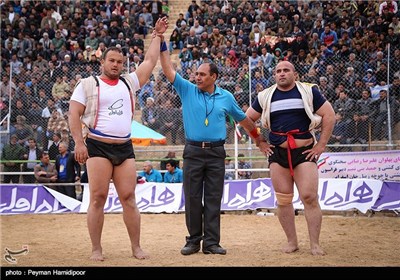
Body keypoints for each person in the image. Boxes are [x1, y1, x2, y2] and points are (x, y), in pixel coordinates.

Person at [68, 17, 168, 261]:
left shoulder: (129, 82)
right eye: (111, 61)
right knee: (98, 198)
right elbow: (73, 113)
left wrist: (156, 35)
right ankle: (96, 249)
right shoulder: (87, 84)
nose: (115, 65)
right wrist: (79, 143)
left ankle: (136, 247)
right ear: (102, 61)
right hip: (97, 146)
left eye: (120, 62)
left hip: (124, 148)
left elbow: (150, 61)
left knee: (129, 198)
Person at [159, 48, 261, 256]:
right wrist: (161, 42)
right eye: (196, 74)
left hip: (216, 153)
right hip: (193, 152)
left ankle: (212, 243)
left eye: (202, 74)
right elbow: (168, 69)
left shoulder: (226, 97)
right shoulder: (186, 89)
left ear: (213, 77)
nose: (197, 77)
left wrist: (259, 140)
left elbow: (244, 120)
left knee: (214, 198)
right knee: (193, 198)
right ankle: (194, 241)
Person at [245, 61, 335, 256]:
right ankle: (292, 241)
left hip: (304, 152)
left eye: (286, 70)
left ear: (295, 74)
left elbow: (329, 114)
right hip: (278, 153)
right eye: (278, 71)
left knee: (309, 197)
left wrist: (320, 145)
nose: (282, 74)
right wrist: (259, 141)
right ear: (274, 75)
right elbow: (247, 118)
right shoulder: (265, 96)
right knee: (284, 200)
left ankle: (315, 244)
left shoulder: (310, 92)